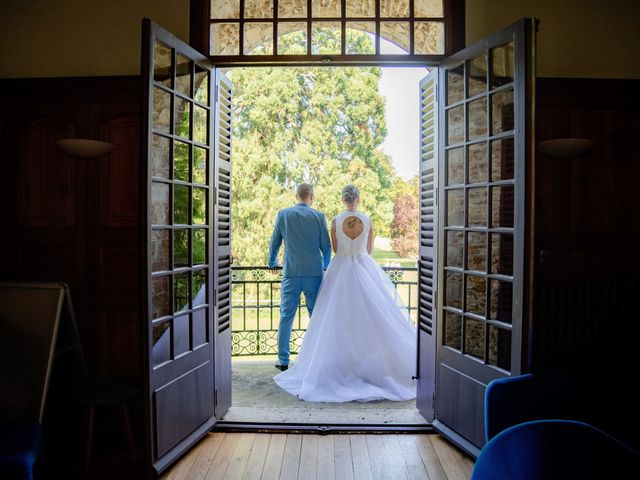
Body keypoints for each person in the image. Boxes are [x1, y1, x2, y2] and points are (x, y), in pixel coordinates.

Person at [273, 184, 417, 402]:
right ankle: (367, 364)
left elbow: (334, 248)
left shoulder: (334, 221)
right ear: (358, 199)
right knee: (369, 318)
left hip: (331, 272)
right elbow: (366, 251)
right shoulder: (366, 220)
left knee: (329, 319)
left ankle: (309, 360)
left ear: (343, 199)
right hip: (362, 270)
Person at [268, 183, 332, 371]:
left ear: (297, 196)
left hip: (291, 272)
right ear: (311, 196)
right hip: (314, 273)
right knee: (316, 316)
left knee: (286, 316)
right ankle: (316, 357)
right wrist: (325, 267)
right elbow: (326, 248)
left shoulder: (284, 215)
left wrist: (272, 262)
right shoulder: (318, 216)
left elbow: (275, 243)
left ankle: (283, 360)